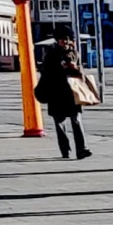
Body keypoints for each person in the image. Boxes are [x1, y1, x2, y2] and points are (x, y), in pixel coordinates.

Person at [38, 26, 92, 159]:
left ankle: (82, 149)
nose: (65, 42)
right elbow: (45, 72)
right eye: (62, 39)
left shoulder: (74, 53)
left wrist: (76, 68)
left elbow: (81, 74)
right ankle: (65, 149)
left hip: (72, 93)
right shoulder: (51, 54)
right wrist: (59, 67)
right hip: (56, 93)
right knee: (60, 123)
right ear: (57, 40)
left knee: (76, 120)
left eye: (67, 39)